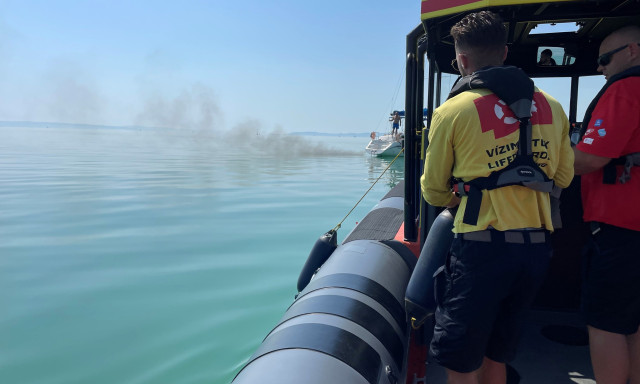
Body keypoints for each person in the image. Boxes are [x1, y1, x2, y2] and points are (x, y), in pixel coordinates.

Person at [420, 11, 574, 384]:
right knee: (497, 351)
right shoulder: (552, 107)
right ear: (505, 52)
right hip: (535, 252)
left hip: (480, 251)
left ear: (462, 61)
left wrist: (461, 197)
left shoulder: (452, 110)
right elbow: (564, 177)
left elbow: (432, 189)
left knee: (460, 360)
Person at [573, 25, 640, 384]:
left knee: (606, 323)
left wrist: (543, 153)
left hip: (621, 228)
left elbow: (588, 159)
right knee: (633, 321)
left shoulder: (626, 88)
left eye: (604, 60)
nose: (600, 69)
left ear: (632, 51)